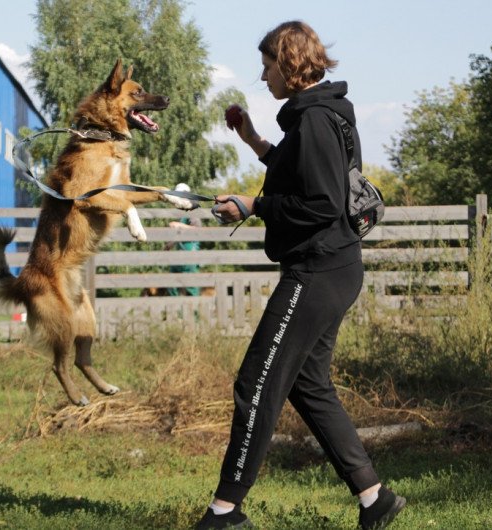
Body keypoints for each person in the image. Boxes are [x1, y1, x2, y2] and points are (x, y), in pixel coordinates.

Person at [194, 21, 405, 530]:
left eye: (267, 65)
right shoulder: (322, 115)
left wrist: (252, 204)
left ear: (289, 65)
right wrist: (252, 140)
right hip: (335, 266)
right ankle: (374, 497)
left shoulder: (313, 121)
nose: (262, 75)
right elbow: (299, 170)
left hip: (317, 270)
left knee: (256, 381)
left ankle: (226, 510)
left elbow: (322, 201)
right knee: (308, 384)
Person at [167, 183, 202, 297]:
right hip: (179, 253)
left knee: (191, 286)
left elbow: (197, 230)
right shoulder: (180, 213)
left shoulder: (192, 212)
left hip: (190, 253)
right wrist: (168, 246)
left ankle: (195, 313)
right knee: (172, 282)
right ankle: (175, 311)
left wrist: (178, 225)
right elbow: (177, 236)